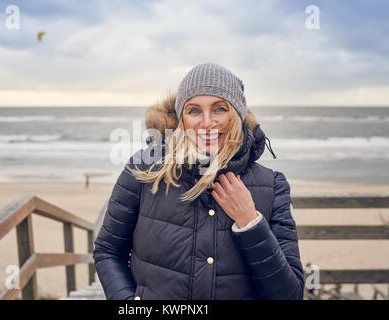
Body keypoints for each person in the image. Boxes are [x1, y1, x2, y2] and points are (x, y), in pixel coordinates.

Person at [93, 63, 305, 300]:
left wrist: (250, 222)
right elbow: (108, 251)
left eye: (220, 108)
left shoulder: (273, 185)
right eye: (193, 110)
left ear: (236, 114)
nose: (206, 123)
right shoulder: (144, 169)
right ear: (182, 117)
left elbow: (290, 295)